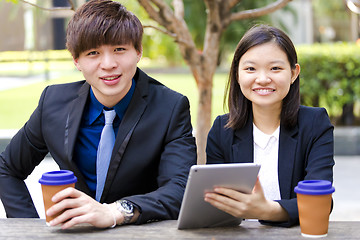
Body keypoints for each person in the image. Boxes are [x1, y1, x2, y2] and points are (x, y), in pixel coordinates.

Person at [0, 0, 196, 229]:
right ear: (76, 60)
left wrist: (114, 212)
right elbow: (7, 168)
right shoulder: (53, 103)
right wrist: (29, 227)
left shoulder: (170, 107)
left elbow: (180, 189)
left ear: (138, 52)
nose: (108, 64)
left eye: (119, 49)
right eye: (93, 53)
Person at [204, 24, 334, 227]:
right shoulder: (222, 130)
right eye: (250, 69)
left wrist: (267, 210)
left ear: (293, 73)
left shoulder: (315, 124)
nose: (263, 79)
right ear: (237, 75)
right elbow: (216, 206)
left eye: (275, 68)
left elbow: (321, 201)